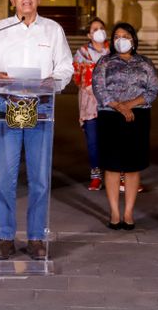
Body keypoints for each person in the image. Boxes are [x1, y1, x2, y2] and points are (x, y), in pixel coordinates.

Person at [0, 0, 73, 261]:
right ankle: (5, 237)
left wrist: (54, 80)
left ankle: (36, 238)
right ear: (12, 0)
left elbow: (65, 66)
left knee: (39, 178)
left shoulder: (53, 30)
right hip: (6, 106)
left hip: (40, 107)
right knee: (4, 177)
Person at [91, 22, 158, 230]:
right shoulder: (105, 62)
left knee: (132, 166)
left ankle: (128, 212)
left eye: (126, 36)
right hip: (111, 116)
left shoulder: (145, 63)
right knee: (112, 165)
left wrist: (130, 105)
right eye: (117, 36)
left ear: (133, 40)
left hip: (138, 117)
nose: (121, 40)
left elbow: (152, 89)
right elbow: (99, 88)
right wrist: (118, 106)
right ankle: (114, 212)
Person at [72, 18, 108, 191]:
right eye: (94, 29)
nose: (99, 31)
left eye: (101, 28)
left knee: (113, 139)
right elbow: (76, 77)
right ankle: (96, 175)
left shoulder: (114, 52)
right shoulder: (82, 53)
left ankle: (120, 174)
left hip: (112, 103)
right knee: (93, 140)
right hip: (89, 103)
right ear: (89, 35)